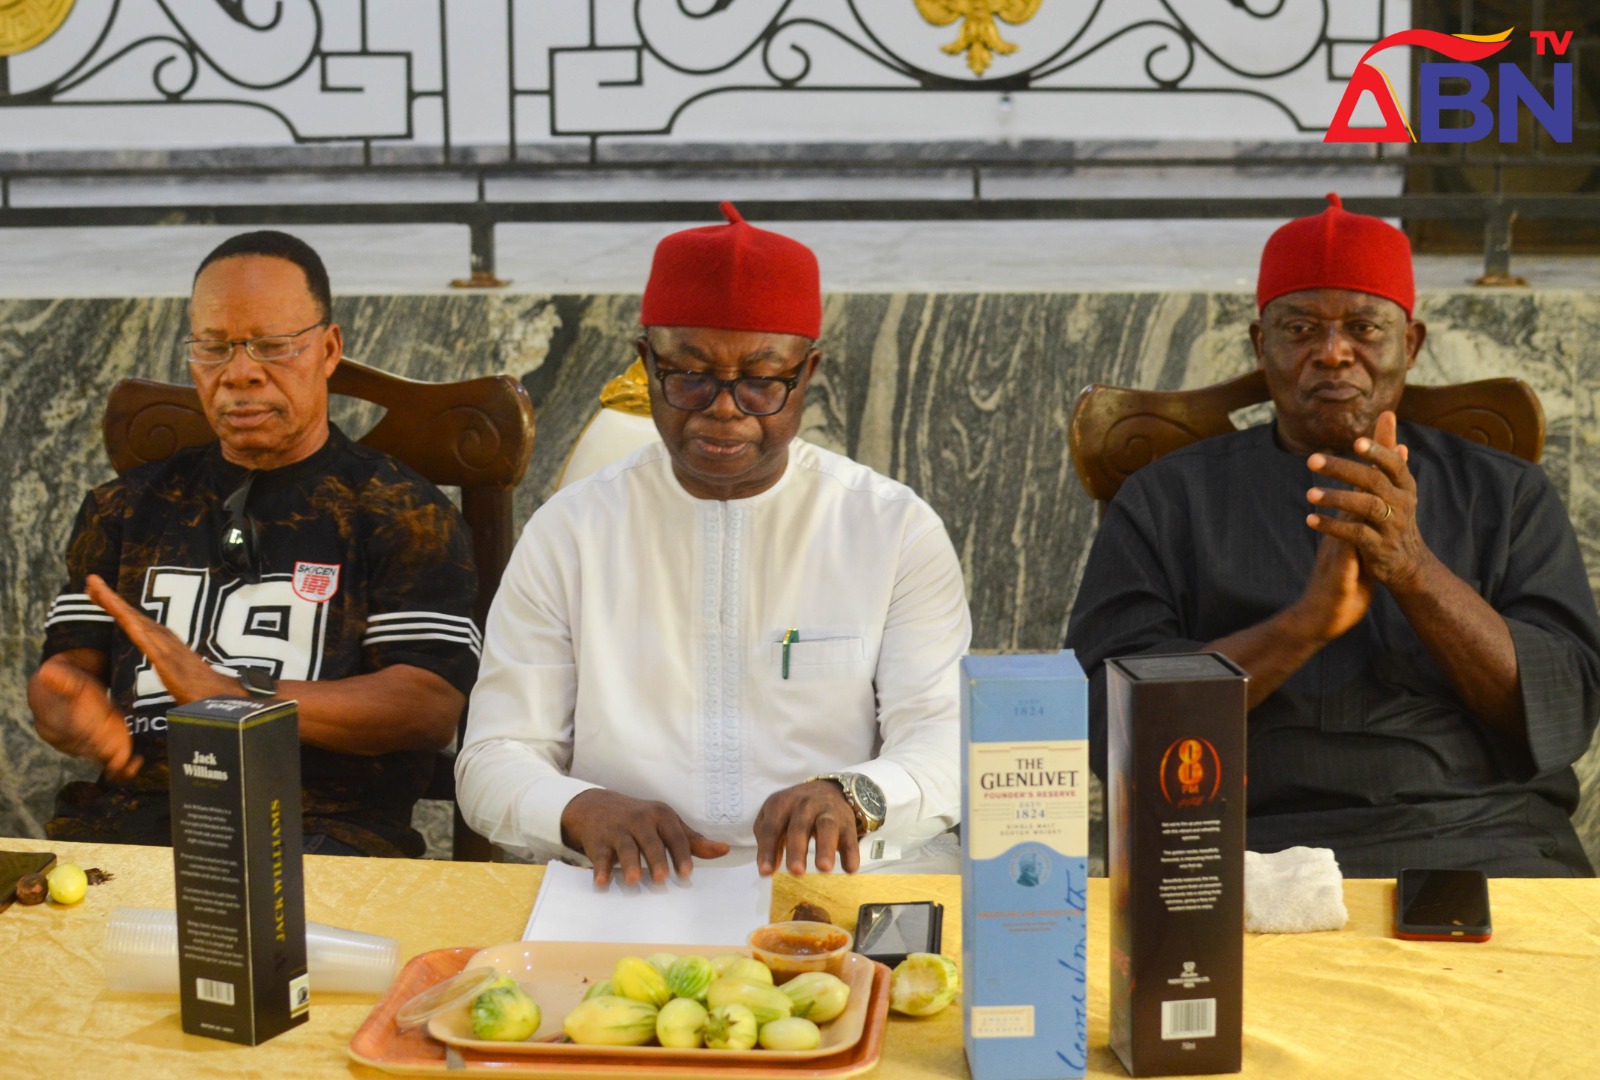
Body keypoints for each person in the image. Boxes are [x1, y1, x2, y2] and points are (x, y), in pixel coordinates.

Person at [1067, 194, 1600, 877]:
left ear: (1411, 345)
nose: (1333, 353)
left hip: (1480, 838)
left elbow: (1564, 708)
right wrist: (1304, 626)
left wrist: (1414, 570)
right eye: (1299, 328)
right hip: (1240, 842)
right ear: (1261, 346)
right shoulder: (1168, 498)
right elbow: (1107, 720)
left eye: (1364, 327)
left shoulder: (1505, 492)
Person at [456, 203, 970, 883]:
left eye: (760, 382)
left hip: (846, 882)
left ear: (807, 373)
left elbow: (948, 740)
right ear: (647, 364)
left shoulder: (892, 528)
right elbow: (493, 756)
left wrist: (857, 795)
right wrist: (579, 808)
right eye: (691, 377)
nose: (724, 409)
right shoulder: (571, 531)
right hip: (624, 885)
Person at [30, 230, 480, 857]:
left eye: (272, 346)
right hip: (134, 833)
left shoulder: (400, 510)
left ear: (328, 349)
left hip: (322, 836)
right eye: (213, 348)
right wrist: (63, 705)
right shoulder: (125, 507)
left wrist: (236, 696)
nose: (240, 373)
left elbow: (428, 705)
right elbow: (67, 674)